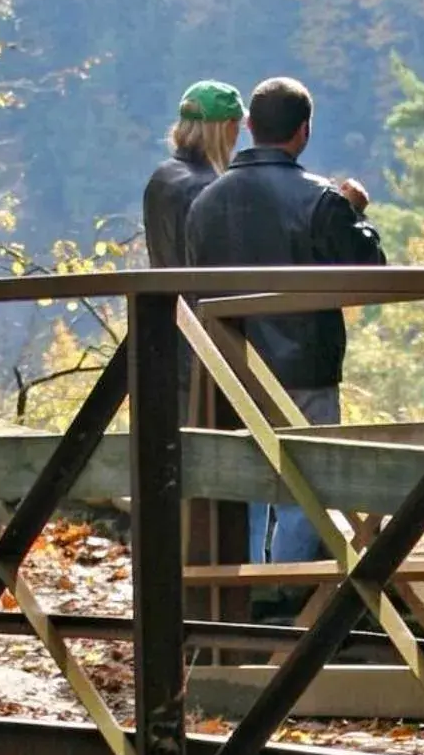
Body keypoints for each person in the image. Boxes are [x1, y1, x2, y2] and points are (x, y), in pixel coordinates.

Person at [185, 74, 386, 564]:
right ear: (305, 131)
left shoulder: (205, 203)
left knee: (252, 486)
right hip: (305, 368)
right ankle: (286, 595)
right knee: (307, 487)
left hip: (232, 370)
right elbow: (369, 272)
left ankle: (252, 595)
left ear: (250, 126)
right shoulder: (321, 200)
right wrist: (355, 212)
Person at [142, 80, 245, 268]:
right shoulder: (210, 188)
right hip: (204, 296)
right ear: (228, 127)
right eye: (237, 125)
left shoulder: (161, 177)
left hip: (168, 293)